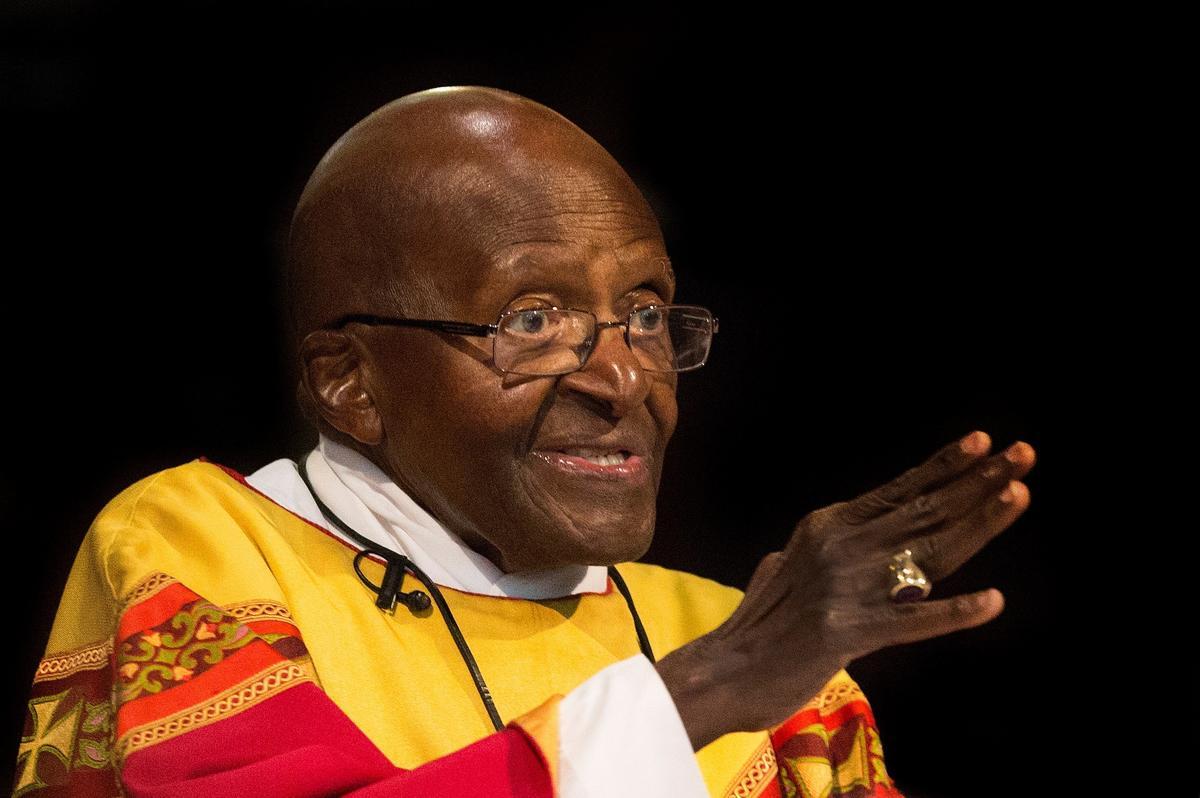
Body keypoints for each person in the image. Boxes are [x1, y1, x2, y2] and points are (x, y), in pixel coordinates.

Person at [12, 86, 1035, 798]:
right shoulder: (207, 553)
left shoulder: (755, 638)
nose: (624, 377)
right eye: (533, 321)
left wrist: (745, 662)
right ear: (349, 384)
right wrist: (708, 688)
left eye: (644, 314)